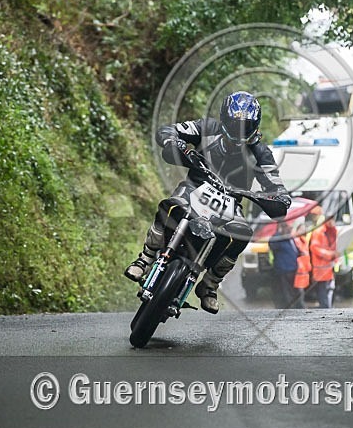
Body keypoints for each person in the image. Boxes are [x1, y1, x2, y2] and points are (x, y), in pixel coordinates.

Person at [124, 91, 291, 313]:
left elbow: (276, 185)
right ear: (225, 119)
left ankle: (210, 285)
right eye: (235, 124)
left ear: (255, 126)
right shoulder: (207, 128)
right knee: (170, 205)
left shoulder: (261, 153)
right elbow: (168, 130)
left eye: (245, 126)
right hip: (194, 186)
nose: (239, 131)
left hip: (231, 201)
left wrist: (278, 198)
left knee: (242, 233)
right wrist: (178, 145)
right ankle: (144, 259)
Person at [268, 221, 304, 309]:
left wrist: (299, 253)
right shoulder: (279, 238)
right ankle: (289, 308)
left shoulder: (289, 238)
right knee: (286, 292)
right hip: (284, 270)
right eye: (289, 227)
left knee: (295, 291)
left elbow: (293, 250)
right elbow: (272, 244)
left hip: (293, 269)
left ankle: (297, 307)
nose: (291, 229)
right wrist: (279, 233)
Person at [308, 212, 339, 309]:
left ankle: (328, 309)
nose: (331, 222)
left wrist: (335, 257)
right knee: (323, 295)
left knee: (329, 293)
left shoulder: (333, 231)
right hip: (320, 270)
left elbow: (335, 247)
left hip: (330, 269)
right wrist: (329, 255)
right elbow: (314, 248)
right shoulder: (319, 232)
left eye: (332, 219)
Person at [292, 222, 311, 306]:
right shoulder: (297, 240)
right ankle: (300, 306)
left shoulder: (304, 240)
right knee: (299, 291)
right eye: (301, 229)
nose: (303, 231)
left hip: (304, 270)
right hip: (299, 270)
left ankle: (301, 305)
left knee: (301, 291)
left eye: (304, 229)